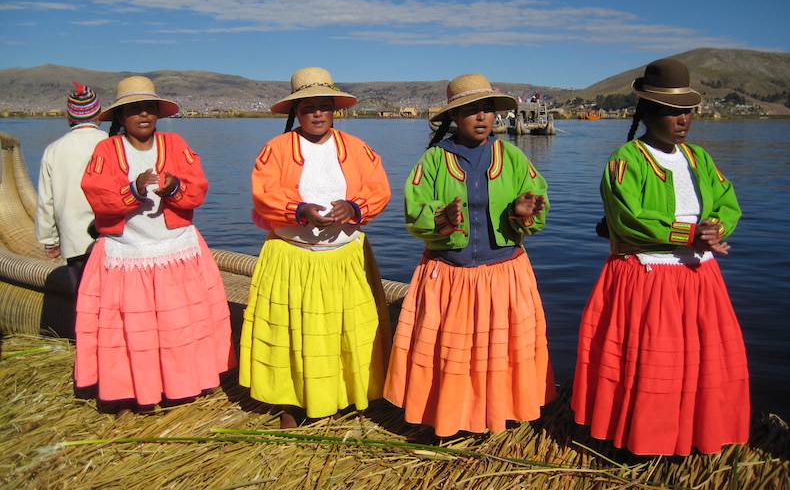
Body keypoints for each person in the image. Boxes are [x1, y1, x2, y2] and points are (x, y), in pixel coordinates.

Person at [571, 58, 749, 455]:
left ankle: (691, 433)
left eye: (687, 110)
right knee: (652, 366)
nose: (683, 118)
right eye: (672, 111)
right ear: (649, 112)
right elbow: (628, 218)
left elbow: (727, 201)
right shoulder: (626, 160)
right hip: (649, 278)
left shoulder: (699, 158)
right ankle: (641, 441)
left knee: (698, 363)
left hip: (700, 277)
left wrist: (716, 227)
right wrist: (690, 234)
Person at [384, 73, 555, 437]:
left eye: (487, 110)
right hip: (451, 274)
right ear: (455, 117)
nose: (481, 118)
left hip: (503, 274)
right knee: (454, 352)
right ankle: (448, 418)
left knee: (499, 348)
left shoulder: (511, 156)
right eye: (471, 111)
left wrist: (524, 212)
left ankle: (499, 412)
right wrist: (442, 218)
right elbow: (414, 213)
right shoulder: (432, 161)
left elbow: (537, 201)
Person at [240, 66, 391, 428]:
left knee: (341, 329)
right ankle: (290, 401)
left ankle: (338, 394)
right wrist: (299, 210)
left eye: (325, 105)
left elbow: (378, 188)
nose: (318, 113)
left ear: (335, 110)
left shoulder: (356, 148)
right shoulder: (276, 149)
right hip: (291, 257)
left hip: (343, 258)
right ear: (296, 112)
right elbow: (264, 195)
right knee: (289, 329)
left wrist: (353, 207)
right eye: (309, 107)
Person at [75, 76, 235, 414]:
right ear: (120, 117)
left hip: (174, 248)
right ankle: (129, 392)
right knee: (129, 329)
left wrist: (175, 185)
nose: (143, 115)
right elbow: (97, 194)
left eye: (149, 109)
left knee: (178, 325)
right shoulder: (107, 150)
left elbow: (198, 187)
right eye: (134, 110)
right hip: (127, 251)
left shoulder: (175, 144)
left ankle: (182, 385)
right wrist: (132, 190)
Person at [35, 82, 107, 293]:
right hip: (112, 238)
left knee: (84, 297)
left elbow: (46, 201)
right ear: (99, 115)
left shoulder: (54, 150)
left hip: (74, 239)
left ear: (69, 118)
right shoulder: (112, 143)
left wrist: (49, 241)